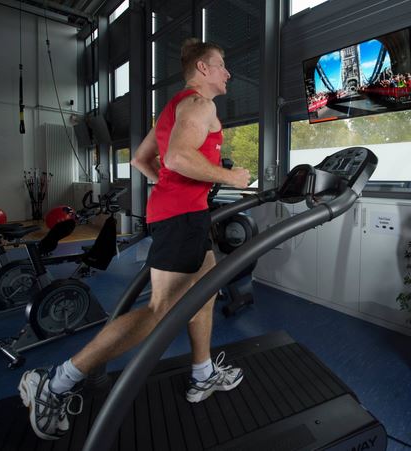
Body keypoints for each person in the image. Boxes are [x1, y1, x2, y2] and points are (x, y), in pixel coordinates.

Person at [18, 37, 251, 441]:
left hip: (181, 213)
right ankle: (55, 381)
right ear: (202, 69)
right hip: (182, 219)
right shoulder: (200, 104)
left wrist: (171, 187)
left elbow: (142, 159)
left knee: (206, 292)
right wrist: (233, 178)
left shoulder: (174, 106)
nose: (227, 73)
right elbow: (177, 157)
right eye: (222, 65)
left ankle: (202, 372)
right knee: (159, 310)